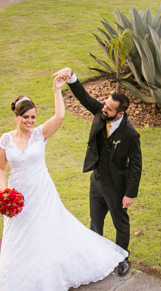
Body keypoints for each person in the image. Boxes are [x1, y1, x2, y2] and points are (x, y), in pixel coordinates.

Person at [0, 75, 128, 291]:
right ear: (16, 117)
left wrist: (57, 90)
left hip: (42, 192)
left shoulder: (39, 134)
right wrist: (4, 192)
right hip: (17, 195)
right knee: (20, 237)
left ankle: (48, 278)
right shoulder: (5, 140)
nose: (30, 121)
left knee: (45, 233)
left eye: (33, 117)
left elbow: (60, 116)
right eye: (25, 117)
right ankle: (20, 283)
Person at [54, 67, 141, 277]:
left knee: (120, 224)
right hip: (97, 180)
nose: (104, 109)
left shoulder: (130, 135)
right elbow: (84, 97)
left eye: (109, 109)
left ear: (120, 113)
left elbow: (136, 165)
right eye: (105, 105)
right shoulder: (100, 113)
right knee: (95, 221)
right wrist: (71, 78)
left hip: (116, 186)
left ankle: (123, 257)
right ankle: (95, 257)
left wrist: (130, 194)